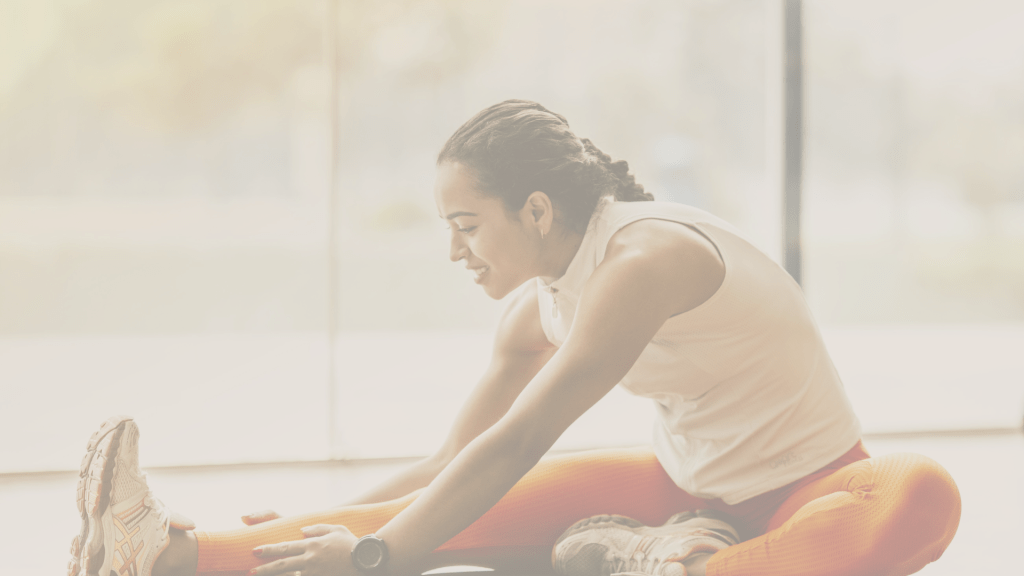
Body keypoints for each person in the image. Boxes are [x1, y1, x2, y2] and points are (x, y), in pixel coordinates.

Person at [68, 100, 961, 576]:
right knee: (453, 511)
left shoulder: (643, 261)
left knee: (922, 494)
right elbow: (455, 460)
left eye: (466, 224)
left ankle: (671, 566)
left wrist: (382, 559)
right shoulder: (538, 303)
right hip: (678, 489)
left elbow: (522, 440)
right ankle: (160, 556)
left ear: (536, 210)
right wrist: (328, 525)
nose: (454, 251)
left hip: (815, 491)